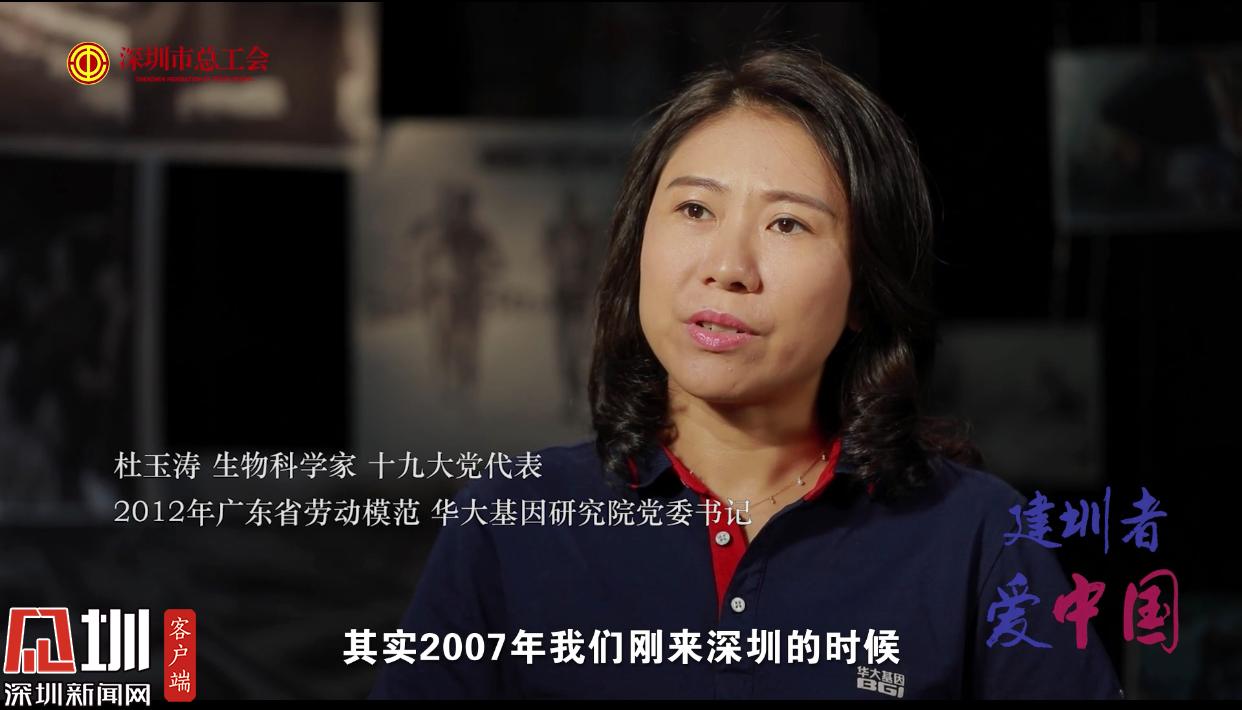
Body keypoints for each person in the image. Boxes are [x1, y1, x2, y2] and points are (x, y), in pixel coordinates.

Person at [369, 44, 1124, 699]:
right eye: (695, 210)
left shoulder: (977, 536)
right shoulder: (508, 522)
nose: (728, 266)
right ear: (637, 244)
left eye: (787, 223)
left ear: (864, 293)